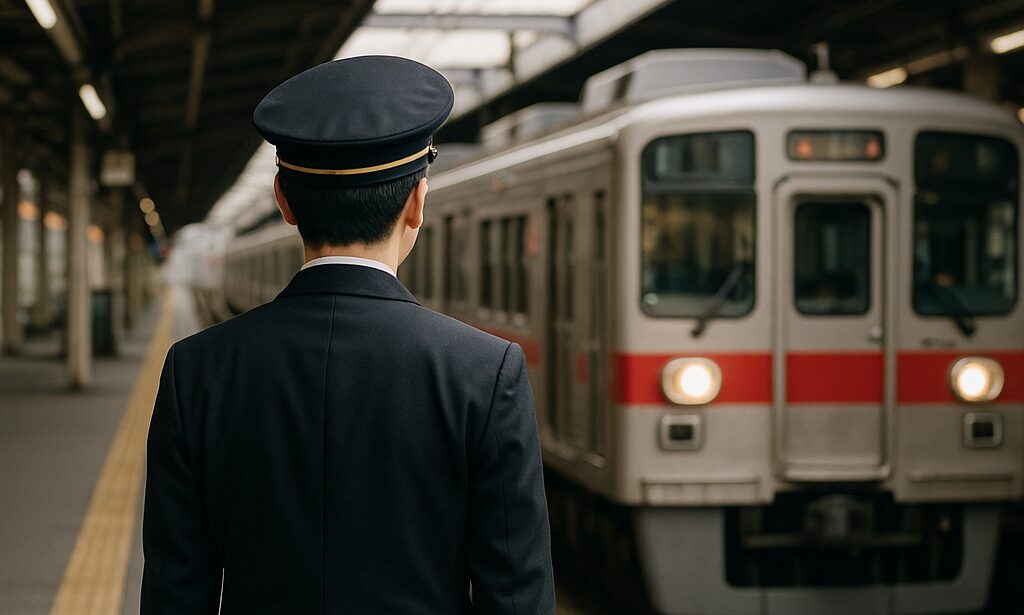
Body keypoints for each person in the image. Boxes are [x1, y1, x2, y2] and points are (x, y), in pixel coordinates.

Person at [141, 55, 555, 614]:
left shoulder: (197, 370)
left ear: (284, 202)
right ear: (417, 204)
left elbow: (174, 596)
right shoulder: (486, 372)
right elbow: (517, 600)